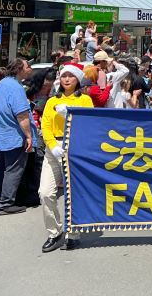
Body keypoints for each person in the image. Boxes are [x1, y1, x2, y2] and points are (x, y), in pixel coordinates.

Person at [39, 64, 93, 253]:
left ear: (78, 79)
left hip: (76, 149)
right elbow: (45, 124)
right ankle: (54, 232)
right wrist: (52, 145)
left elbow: (90, 124)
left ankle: (73, 233)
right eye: (64, 76)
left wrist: (70, 114)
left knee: (73, 193)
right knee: (45, 192)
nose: (67, 79)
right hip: (54, 149)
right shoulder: (51, 101)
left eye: (71, 76)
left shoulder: (85, 100)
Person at [0, 59, 35, 215]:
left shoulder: (1, 85)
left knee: (0, 169)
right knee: (13, 169)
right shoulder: (16, 87)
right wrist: (28, 136)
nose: (29, 69)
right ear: (19, 69)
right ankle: (6, 203)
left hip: (0, 134)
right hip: (13, 134)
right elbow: (22, 114)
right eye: (27, 66)